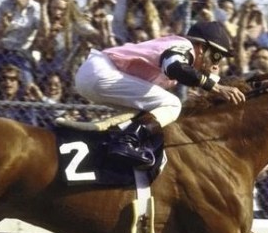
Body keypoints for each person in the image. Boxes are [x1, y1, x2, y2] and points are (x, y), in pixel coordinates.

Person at [73, 20, 245, 167]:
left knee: (152, 110)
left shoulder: (180, 57)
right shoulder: (185, 47)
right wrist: (214, 86)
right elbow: (174, 67)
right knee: (172, 103)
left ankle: (117, 140)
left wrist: (211, 82)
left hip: (93, 75)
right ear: (201, 47)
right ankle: (125, 143)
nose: (217, 64)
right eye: (216, 56)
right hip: (99, 72)